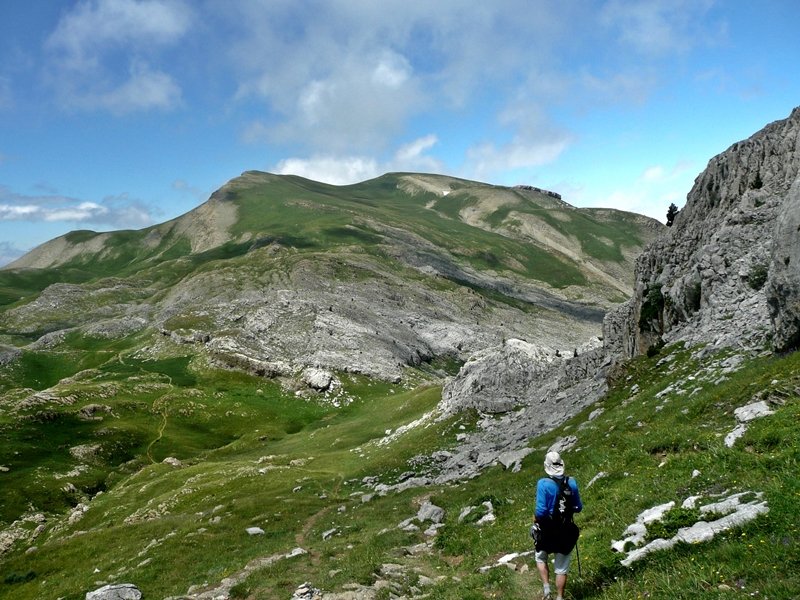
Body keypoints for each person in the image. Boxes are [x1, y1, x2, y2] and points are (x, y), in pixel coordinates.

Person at [533, 451, 583, 600]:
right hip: (565, 529)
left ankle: (547, 590)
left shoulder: (543, 484)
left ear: (546, 466)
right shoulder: (571, 482)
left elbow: (540, 512)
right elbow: (578, 507)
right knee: (561, 568)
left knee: (541, 557)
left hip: (547, 529)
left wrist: (536, 521)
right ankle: (560, 597)